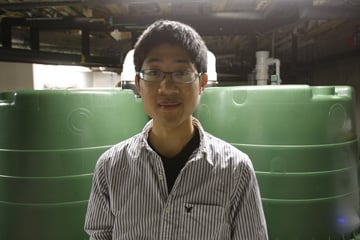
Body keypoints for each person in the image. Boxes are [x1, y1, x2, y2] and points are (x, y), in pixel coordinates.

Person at [84, 19, 268, 240]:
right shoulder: (111, 167)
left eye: (182, 73)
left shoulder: (236, 170)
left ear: (202, 83)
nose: (167, 87)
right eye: (153, 72)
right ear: (138, 84)